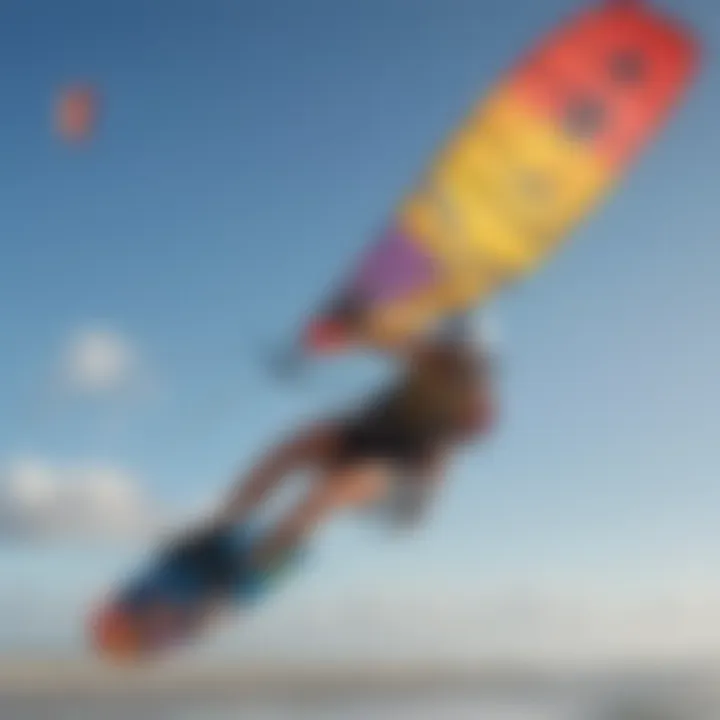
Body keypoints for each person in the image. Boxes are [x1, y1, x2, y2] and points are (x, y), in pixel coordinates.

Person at [105, 319, 499, 655]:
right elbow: (391, 340)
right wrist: (335, 333)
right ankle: (222, 527)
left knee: (328, 494)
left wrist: (456, 431)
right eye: (446, 352)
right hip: (366, 441)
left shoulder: (469, 394)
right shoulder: (427, 358)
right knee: (298, 443)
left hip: (400, 476)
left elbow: (461, 424)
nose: (440, 357)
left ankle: (232, 593)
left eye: (458, 360)